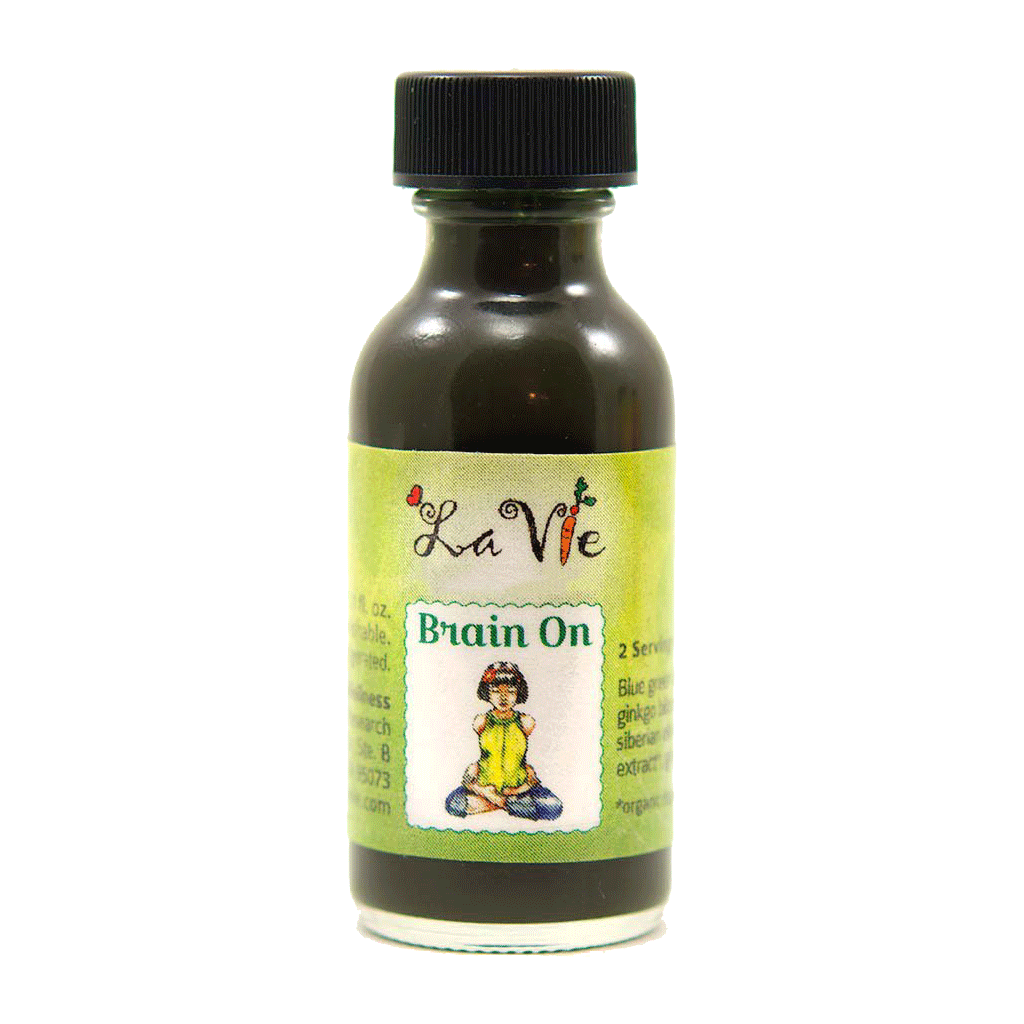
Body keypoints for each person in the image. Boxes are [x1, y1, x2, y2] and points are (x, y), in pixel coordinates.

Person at [445, 662, 563, 821]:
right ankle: (511, 805)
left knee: (553, 806)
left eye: (511, 691)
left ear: (518, 693)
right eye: (495, 691)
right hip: (485, 784)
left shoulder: (526, 722)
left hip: (518, 788)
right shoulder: (481, 722)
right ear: (487, 693)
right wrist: (480, 786)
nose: (503, 697)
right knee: (453, 803)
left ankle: (495, 802)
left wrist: (523, 785)